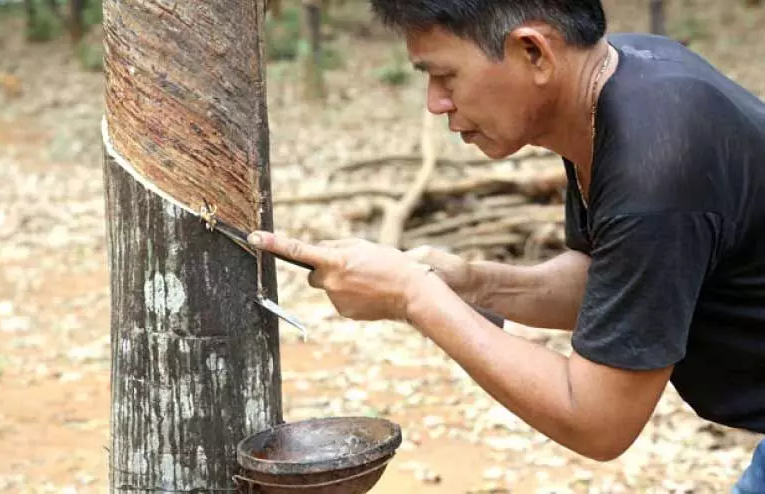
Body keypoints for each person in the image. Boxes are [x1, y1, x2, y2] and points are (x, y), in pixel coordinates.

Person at [247, 0, 765, 490]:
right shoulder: (620, 84)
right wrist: (473, 283)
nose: (435, 103)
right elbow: (617, 282)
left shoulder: (654, 169)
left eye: (445, 75)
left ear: (534, 52)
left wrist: (415, 297)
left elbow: (597, 420)